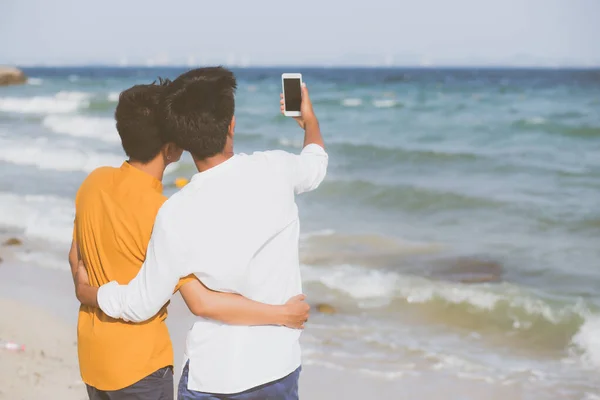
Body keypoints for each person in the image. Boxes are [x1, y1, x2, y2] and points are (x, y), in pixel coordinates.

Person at [76, 66, 327, 399]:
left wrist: (91, 293)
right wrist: (308, 121)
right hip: (278, 365)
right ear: (232, 124)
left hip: (216, 376)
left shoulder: (174, 213)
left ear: (179, 140)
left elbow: (141, 304)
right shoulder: (278, 168)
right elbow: (315, 162)